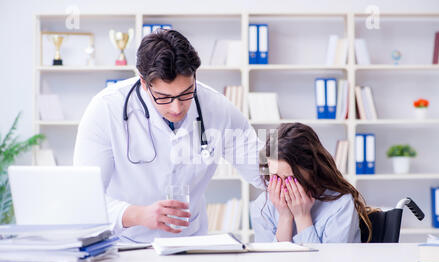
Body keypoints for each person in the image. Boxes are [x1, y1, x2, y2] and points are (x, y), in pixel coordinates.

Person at [74, 29, 264, 242]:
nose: (176, 108)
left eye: (186, 93)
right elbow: (84, 197)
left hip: (190, 243)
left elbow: (261, 165)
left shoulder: (217, 107)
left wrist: (289, 157)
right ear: (144, 83)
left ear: (195, 77)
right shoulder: (105, 109)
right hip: (126, 244)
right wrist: (138, 214)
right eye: (164, 97)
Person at [250, 123, 373, 243]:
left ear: (312, 170)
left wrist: (302, 217)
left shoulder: (341, 205)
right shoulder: (262, 207)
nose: (282, 187)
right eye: (275, 177)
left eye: (290, 178)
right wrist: (285, 218)